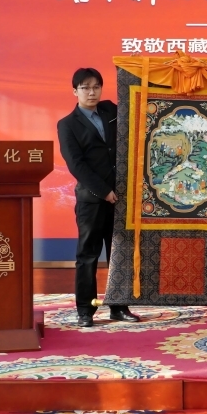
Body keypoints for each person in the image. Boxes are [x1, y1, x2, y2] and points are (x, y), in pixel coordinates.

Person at [57, 68, 139, 328]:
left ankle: (119, 307)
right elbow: (76, 164)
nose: (91, 92)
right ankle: (85, 310)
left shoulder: (111, 110)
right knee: (88, 256)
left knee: (119, 254)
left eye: (96, 87)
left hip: (121, 197)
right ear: (75, 91)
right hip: (92, 200)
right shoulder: (67, 124)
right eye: (85, 88)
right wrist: (103, 191)